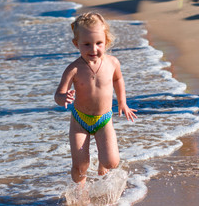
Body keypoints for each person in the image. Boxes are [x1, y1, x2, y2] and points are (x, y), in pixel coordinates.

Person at [54, 12, 137, 187]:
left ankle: (102, 162)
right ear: (76, 44)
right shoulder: (73, 69)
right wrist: (63, 98)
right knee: (80, 167)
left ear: (106, 40)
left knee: (111, 162)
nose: (93, 49)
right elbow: (58, 94)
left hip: (104, 119)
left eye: (99, 43)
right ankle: (81, 193)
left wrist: (123, 102)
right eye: (86, 44)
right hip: (80, 122)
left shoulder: (112, 63)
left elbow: (117, 79)